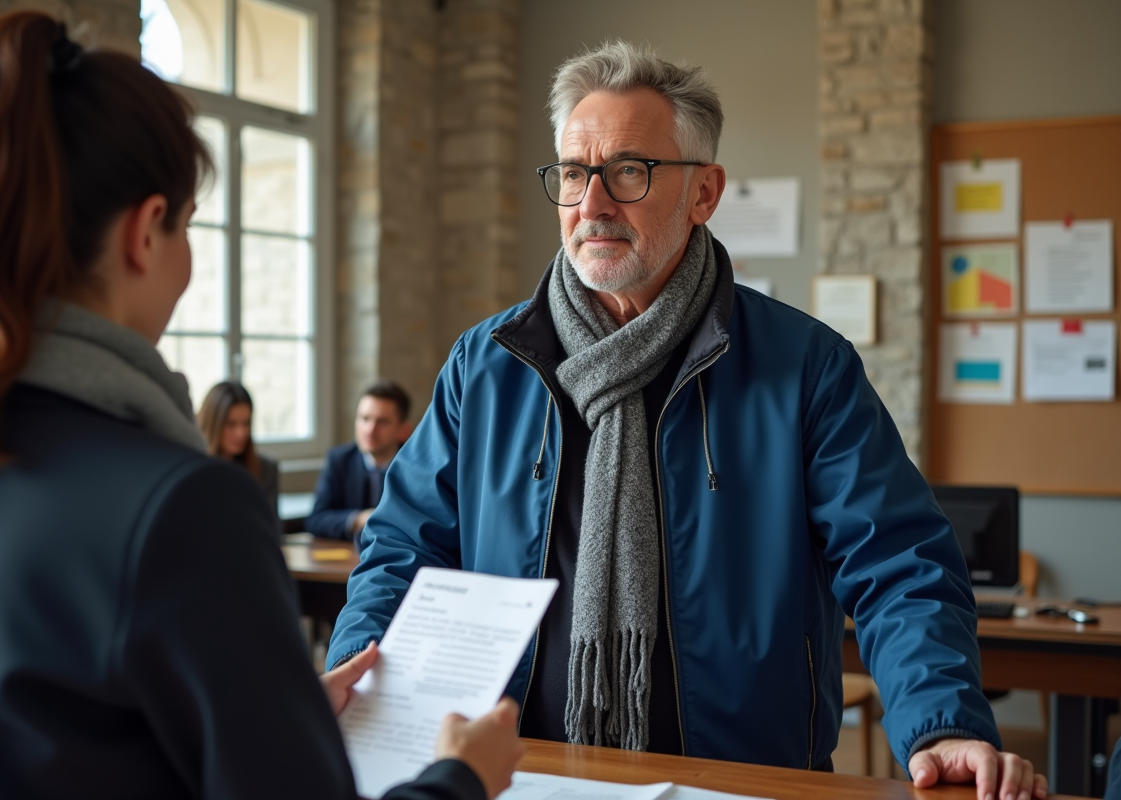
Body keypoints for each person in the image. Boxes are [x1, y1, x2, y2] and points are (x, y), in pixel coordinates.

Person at [328, 41, 1046, 800]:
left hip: (740, 782)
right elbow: (403, 548)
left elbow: (899, 564)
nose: (592, 205)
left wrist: (943, 722)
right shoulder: (486, 365)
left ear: (704, 193)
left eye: (628, 172)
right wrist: (357, 676)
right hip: (520, 776)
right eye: (574, 174)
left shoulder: (806, 367)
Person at [0, 12, 521, 799]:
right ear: (145, 233)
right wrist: (462, 777)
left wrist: (276, 712)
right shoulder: (181, 507)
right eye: (190, 228)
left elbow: (66, 736)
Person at [305, 379, 411, 545]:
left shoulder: (414, 466)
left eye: (382, 421)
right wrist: (358, 519)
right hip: (347, 562)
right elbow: (316, 520)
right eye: (365, 418)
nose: (370, 430)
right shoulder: (340, 460)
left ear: (403, 430)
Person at [198, 380, 279, 516]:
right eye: (231, 424)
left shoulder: (265, 469)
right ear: (213, 424)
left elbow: (272, 531)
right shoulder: (195, 472)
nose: (241, 434)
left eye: (246, 423)